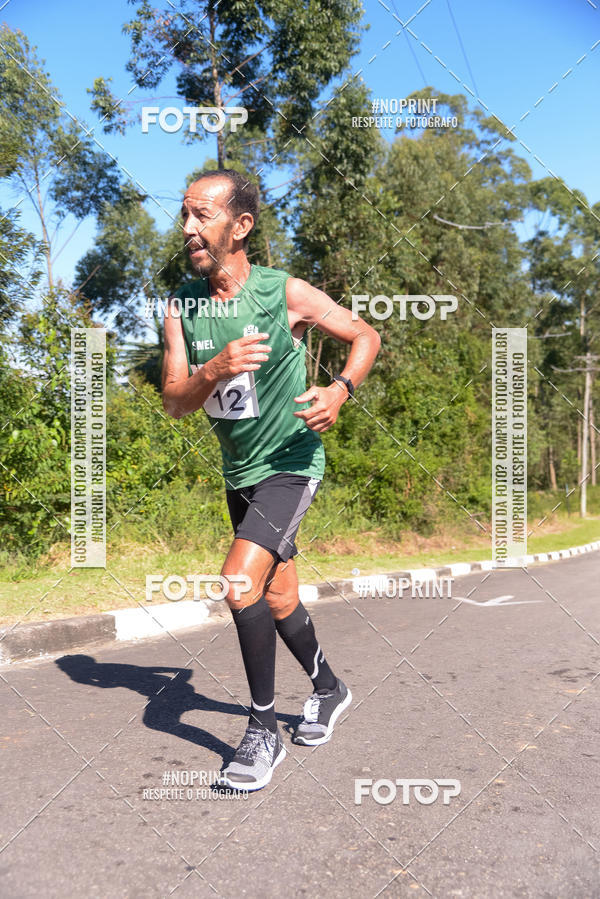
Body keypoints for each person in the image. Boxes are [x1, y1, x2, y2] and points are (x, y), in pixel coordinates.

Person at [162, 169, 380, 791]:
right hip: (240, 474)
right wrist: (216, 369)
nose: (188, 229)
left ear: (241, 226)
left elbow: (366, 333)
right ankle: (330, 688)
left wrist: (340, 389)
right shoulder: (182, 305)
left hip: (290, 462)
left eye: (202, 215)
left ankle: (262, 730)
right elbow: (177, 401)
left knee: (237, 583)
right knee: (277, 597)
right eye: (185, 215)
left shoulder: (283, 293)